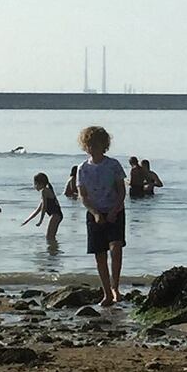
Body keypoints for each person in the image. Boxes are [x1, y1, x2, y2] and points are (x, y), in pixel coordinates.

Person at [76, 126, 126, 307]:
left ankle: (115, 288)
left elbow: (121, 191)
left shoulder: (113, 165)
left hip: (115, 210)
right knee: (100, 255)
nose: (92, 148)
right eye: (89, 144)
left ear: (103, 145)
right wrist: (96, 213)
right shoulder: (82, 168)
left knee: (116, 248)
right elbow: (82, 195)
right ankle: (106, 293)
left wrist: (114, 211)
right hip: (94, 213)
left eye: (95, 144)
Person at [22, 172, 63, 241]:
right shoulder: (47, 190)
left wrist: (41, 220)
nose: (34, 186)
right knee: (51, 237)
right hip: (58, 215)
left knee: (49, 237)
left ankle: (53, 250)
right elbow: (38, 209)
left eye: (35, 184)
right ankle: (54, 250)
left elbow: (44, 207)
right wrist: (27, 220)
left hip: (55, 215)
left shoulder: (44, 191)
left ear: (40, 183)